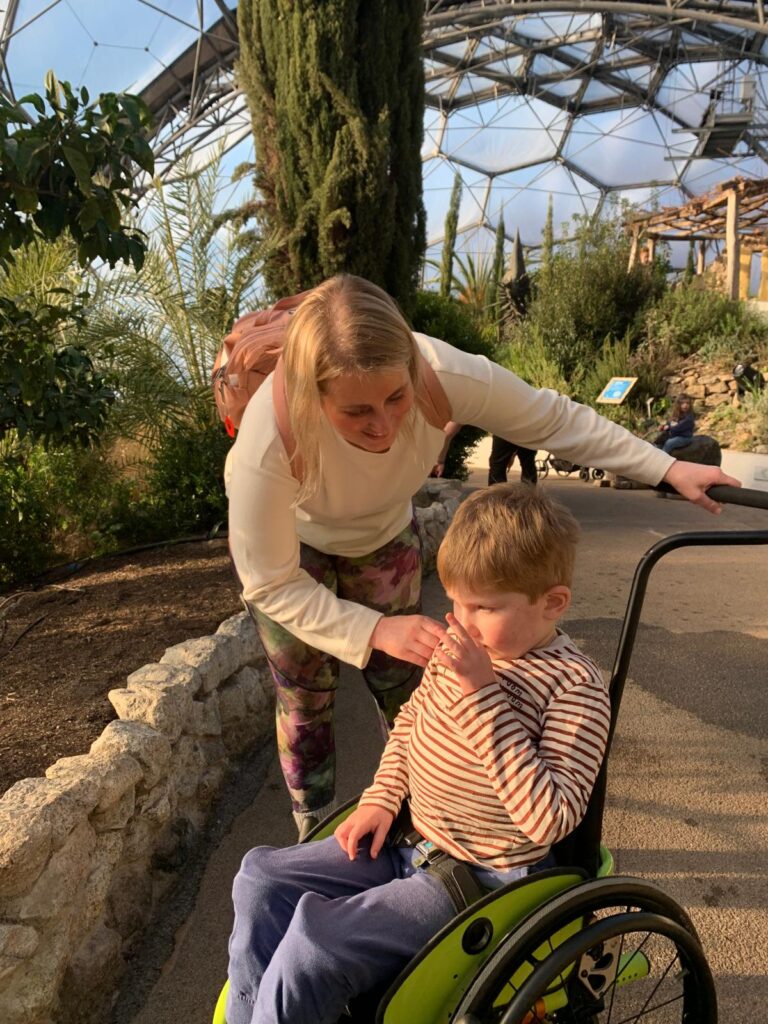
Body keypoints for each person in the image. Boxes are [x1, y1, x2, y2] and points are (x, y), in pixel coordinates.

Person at [225, 274, 738, 837]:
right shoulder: (266, 441)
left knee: (412, 680)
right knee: (304, 696)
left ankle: (436, 814)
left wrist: (665, 466)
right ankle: (315, 825)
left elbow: (553, 418)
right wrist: (372, 629)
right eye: (356, 412)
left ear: (414, 370)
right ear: (313, 395)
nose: (384, 426)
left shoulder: (442, 372)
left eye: (397, 398)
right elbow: (271, 584)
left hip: (385, 531)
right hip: (296, 546)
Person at [225, 484, 612, 1024]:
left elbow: (549, 819)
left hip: (482, 877)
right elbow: (411, 725)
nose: (461, 621)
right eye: (454, 601)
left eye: (483, 606)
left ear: (553, 602)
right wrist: (381, 799)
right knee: (260, 878)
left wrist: (482, 695)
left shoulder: (574, 687)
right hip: (408, 836)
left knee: (314, 946)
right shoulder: (466, 648)